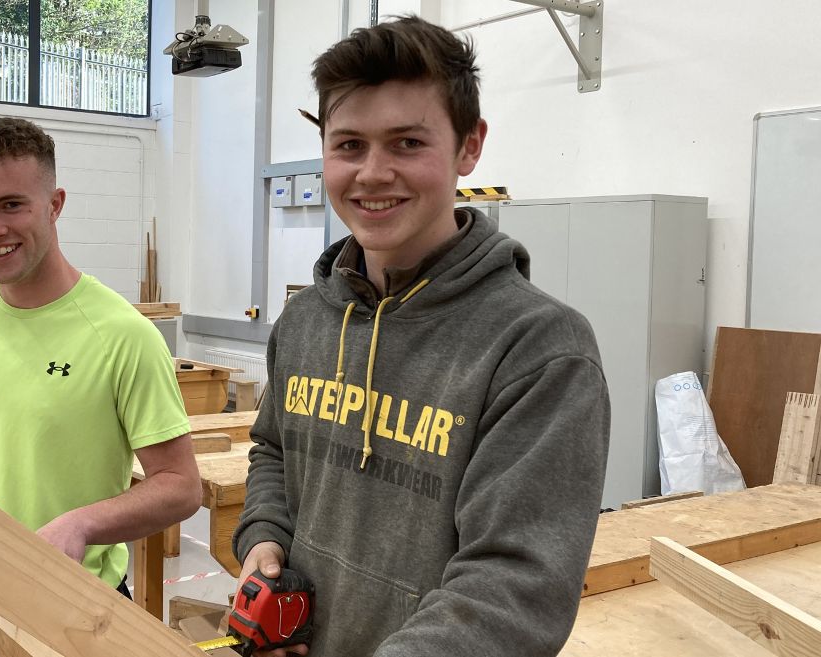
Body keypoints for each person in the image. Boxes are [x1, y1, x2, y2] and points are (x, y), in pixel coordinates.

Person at [232, 16, 610, 657]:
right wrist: (264, 537)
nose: (373, 173)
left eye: (407, 143)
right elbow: (273, 450)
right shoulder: (305, 320)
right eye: (349, 145)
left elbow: (513, 588)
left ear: (469, 146)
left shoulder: (539, 349)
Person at [0, 117, 202, 653]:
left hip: (76, 609)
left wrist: (80, 525)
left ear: (55, 204)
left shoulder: (122, 335)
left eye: (12, 205)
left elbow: (180, 485)